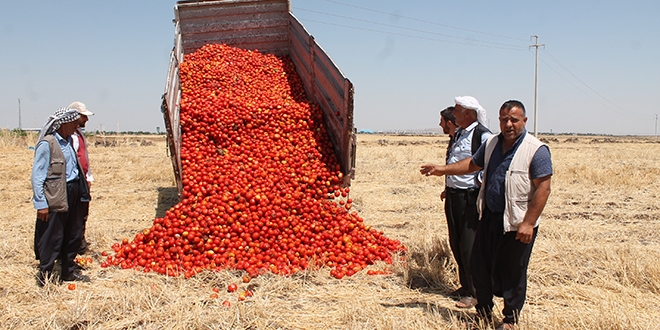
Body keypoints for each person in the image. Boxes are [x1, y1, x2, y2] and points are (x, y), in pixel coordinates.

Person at [420, 100, 552, 329]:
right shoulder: (492, 143)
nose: (509, 124)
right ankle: (483, 311)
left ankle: (510, 319)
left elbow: (543, 187)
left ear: (524, 121)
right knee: (479, 266)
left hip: (516, 222)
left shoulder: (536, 149)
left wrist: (528, 223)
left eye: (514, 119)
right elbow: (472, 164)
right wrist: (442, 170)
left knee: (513, 270)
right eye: (504, 119)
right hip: (489, 216)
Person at [428, 97, 492, 309]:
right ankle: (465, 286)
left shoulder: (482, 135)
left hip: (470, 196)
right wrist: (449, 187)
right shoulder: (460, 135)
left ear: (468, 113)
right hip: (455, 195)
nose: (453, 114)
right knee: (456, 242)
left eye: (457, 110)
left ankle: (475, 292)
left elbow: (484, 164)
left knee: (469, 246)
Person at [32, 107, 91, 286]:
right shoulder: (47, 144)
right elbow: (37, 175)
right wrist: (41, 203)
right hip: (56, 193)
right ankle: (45, 275)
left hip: (73, 191)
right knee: (53, 234)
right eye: (74, 123)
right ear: (64, 123)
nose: (77, 127)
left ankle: (68, 271)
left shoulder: (68, 141)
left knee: (73, 233)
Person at [68, 101, 94, 255]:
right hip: (74, 181)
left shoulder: (79, 134)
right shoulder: (69, 136)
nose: (87, 120)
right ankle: (74, 245)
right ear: (75, 116)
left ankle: (79, 242)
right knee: (74, 213)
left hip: (82, 180)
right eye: (84, 116)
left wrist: (88, 176)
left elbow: (84, 157)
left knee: (82, 211)